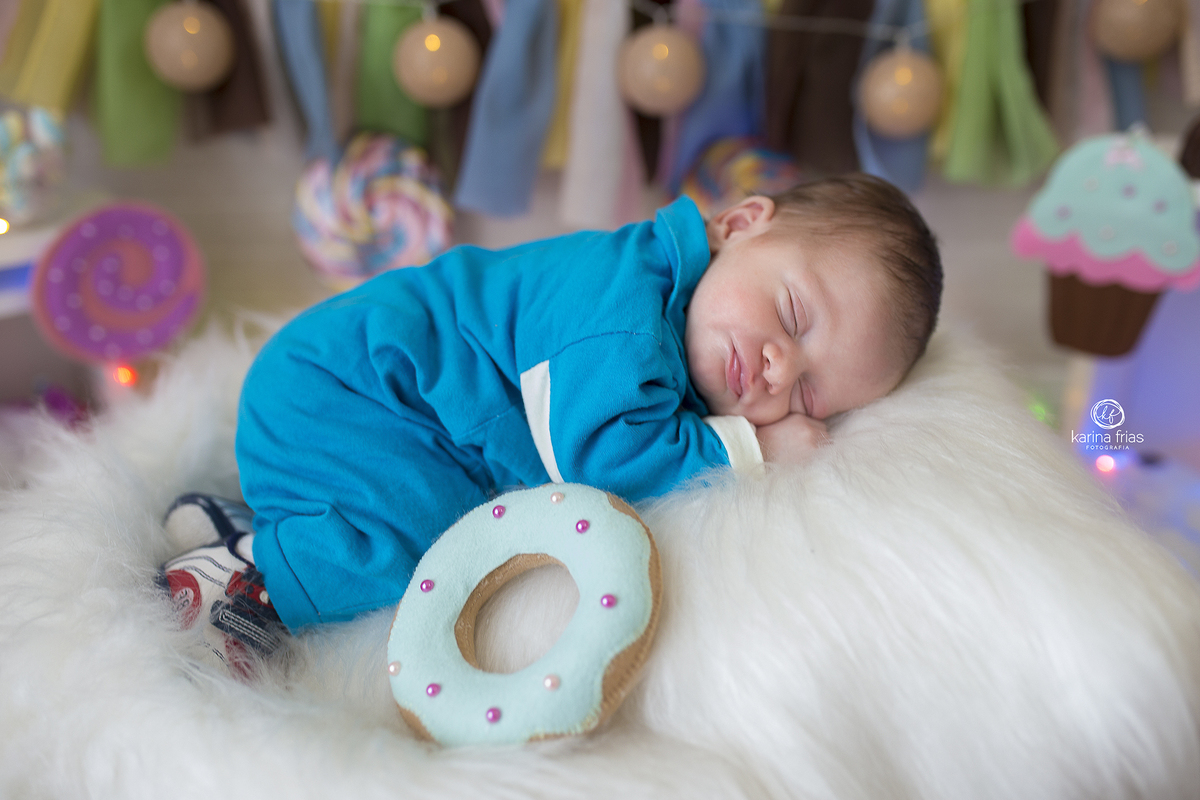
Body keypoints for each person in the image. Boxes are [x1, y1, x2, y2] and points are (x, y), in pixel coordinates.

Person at [158, 173, 942, 672]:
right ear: (740, 224)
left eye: (808, 396)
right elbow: (604, 462)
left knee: (411, 509)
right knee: (410, 540)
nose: (778, 368)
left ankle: (246, 525)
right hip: (354, 391)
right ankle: (249, 582)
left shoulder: (680, 310)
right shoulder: (623, 313)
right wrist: (754, 445)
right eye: (792, 314)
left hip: (358, 403)